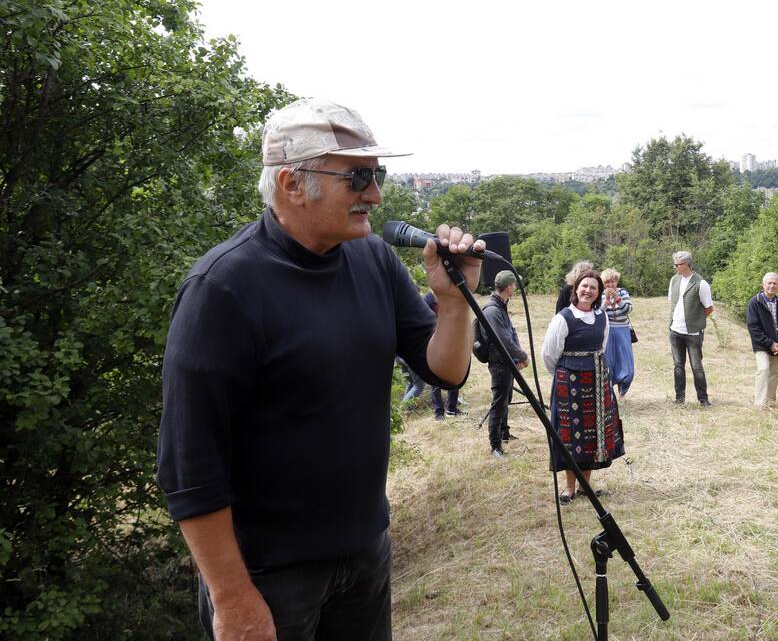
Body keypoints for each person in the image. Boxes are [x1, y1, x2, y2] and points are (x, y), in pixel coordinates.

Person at [156, 98, 485, 640]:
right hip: (267, 577)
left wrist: (453, 302)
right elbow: (189, 467)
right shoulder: (222, 289)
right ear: (291, 183)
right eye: (358, 177)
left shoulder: (373, 259)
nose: (375, 194)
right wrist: (232, 597)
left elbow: (445, 373)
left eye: (377, 175)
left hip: (365, 555)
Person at [542, 270, 625, 503]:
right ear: (576, 289)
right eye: (584, 286)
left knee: (590, 435)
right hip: (569, 384)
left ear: (598, 293)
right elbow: (549, 354)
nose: (588, 291)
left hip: (597, 381)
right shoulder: (563, 318)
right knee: (570, 437)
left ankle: (585, 485)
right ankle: (569, 487)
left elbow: (602, 345)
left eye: (593, 288)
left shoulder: (602, 316)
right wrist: (563, 376)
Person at [483, 269, 529, 457]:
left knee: (506, 399)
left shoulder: (501, 304)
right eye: (515, 285)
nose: (516, 288)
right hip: (499, 363)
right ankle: (495, 446)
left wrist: (516, 358)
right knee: (499, 402)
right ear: (509, 286)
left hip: (507, 361)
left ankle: (504, 434)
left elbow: (511, 331)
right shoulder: (493, 310)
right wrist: (523, 355)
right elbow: (503, 339)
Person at [668, 251, 714, 406]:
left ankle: (703, 399)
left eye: (677, 264)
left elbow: (708, 308)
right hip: (675, 331)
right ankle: (679, 398)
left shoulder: (701, 283)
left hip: (693, 333)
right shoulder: (674, 280)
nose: (675, 267)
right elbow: (672, 303)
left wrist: (696, 321)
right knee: (678, 366)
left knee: (697, 367)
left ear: (686, 264)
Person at [747, 272, 778, 407]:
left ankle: (770, 403)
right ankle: (759, 404)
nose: (772, 286)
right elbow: (753, 327)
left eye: (775, 283)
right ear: (763, 284)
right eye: (769, 283)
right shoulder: (755, 302)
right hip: (761, 345)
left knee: (775, 374)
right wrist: (770, 343)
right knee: (764, 369)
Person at [425, 291, 464, 419]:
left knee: (454, 375)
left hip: (450, 341)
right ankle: (438, 412)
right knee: (435, 379)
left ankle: (452, 409)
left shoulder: (449, 298)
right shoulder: (427, 300)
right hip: (434, 344)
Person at [600, 268, 635, 399]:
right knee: (609, 361)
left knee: (626, 362)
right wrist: (605, 303)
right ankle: (609, 392)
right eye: (607, 282)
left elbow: (628, 310)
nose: (610, 285)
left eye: (612, 282)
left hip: (622, 331)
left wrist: (617, 298)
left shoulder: (623, 292)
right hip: (607, 332)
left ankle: (623, 392)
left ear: (617, 281)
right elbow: (598, 314)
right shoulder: (600, 294)